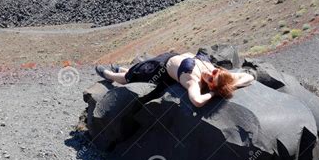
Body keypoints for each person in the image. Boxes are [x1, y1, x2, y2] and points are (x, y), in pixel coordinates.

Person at [95, 49, 254, 108]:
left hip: (160, 68)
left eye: (212, 80)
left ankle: (110, 75)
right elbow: (249, 77)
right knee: (137, 67)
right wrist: (230, 86)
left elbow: (197, 101)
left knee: (129, 77)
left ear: (211, 86)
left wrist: (214, 93)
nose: (210, 73)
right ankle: (122, 68)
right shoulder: (219, 74)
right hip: (171, 56)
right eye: (215, 73)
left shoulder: (193, 80)